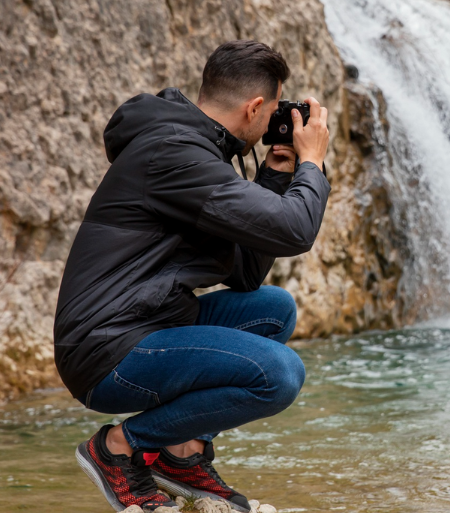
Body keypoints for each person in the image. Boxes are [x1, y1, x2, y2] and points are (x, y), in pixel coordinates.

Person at [53, 40, 331, 512]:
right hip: (106, 348)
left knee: (273, 309)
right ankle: (120, 447)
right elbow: (295, 230)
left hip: (146, 320)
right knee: (280, 374)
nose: (270, 126)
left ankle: (180, 453)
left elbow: (245, 273)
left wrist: (279, 173)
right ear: (255, 107)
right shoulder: (176, 155)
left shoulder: (197, 153)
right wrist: (312, 162)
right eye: (271, 115)